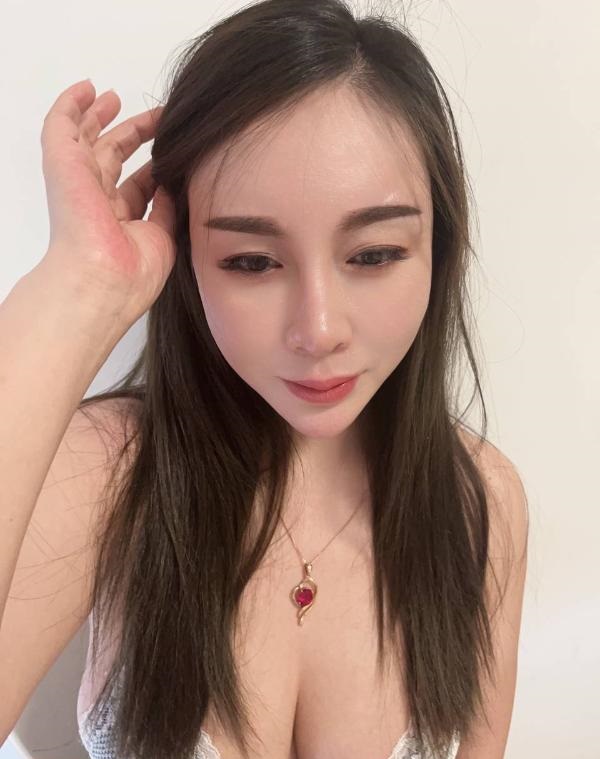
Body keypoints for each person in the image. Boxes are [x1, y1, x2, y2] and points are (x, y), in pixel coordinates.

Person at [0, 1, 529, 758]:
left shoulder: (483, 503)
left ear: (437, 249)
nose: (318, 329)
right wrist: (75, 290)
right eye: (251, 261)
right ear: (189, 260)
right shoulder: (108, 470)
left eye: (373, 254)